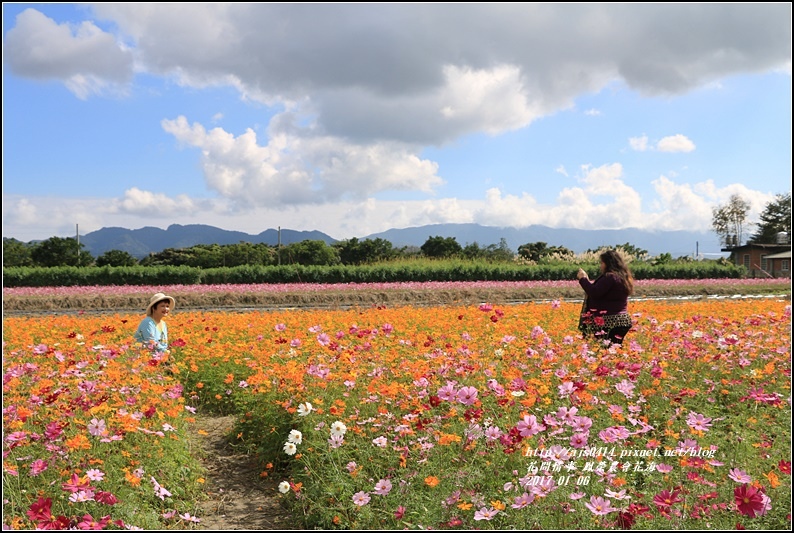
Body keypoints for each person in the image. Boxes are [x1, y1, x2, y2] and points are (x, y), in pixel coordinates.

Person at [576, 250, 634, 345]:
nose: (601, 265)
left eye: (602, 263)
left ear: (608, 263)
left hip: (609, 321)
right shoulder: (624, 277)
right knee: (613, 350)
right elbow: (600, 291)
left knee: (603, 351)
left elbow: (594, 292)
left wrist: (583, 279)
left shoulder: (610, 277)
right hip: (622, 321)